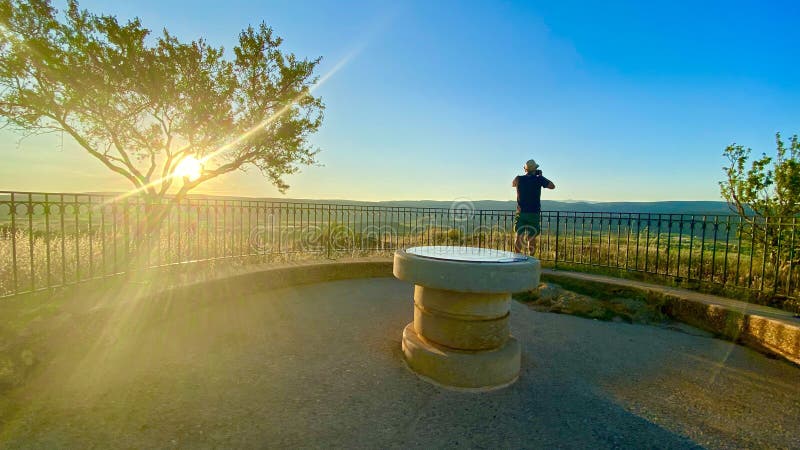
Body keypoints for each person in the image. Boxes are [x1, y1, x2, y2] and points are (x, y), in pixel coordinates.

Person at [512, 159, 555, 254]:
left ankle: (516, 259)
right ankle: (530, 259)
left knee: (519, 236)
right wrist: (540, 176)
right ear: (535, 169)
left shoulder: (518, 178)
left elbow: (513, 184)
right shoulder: (539, 179)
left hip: (521, 212)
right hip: (533, 213)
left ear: (525, 169)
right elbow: (552, 186)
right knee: (531, 237)